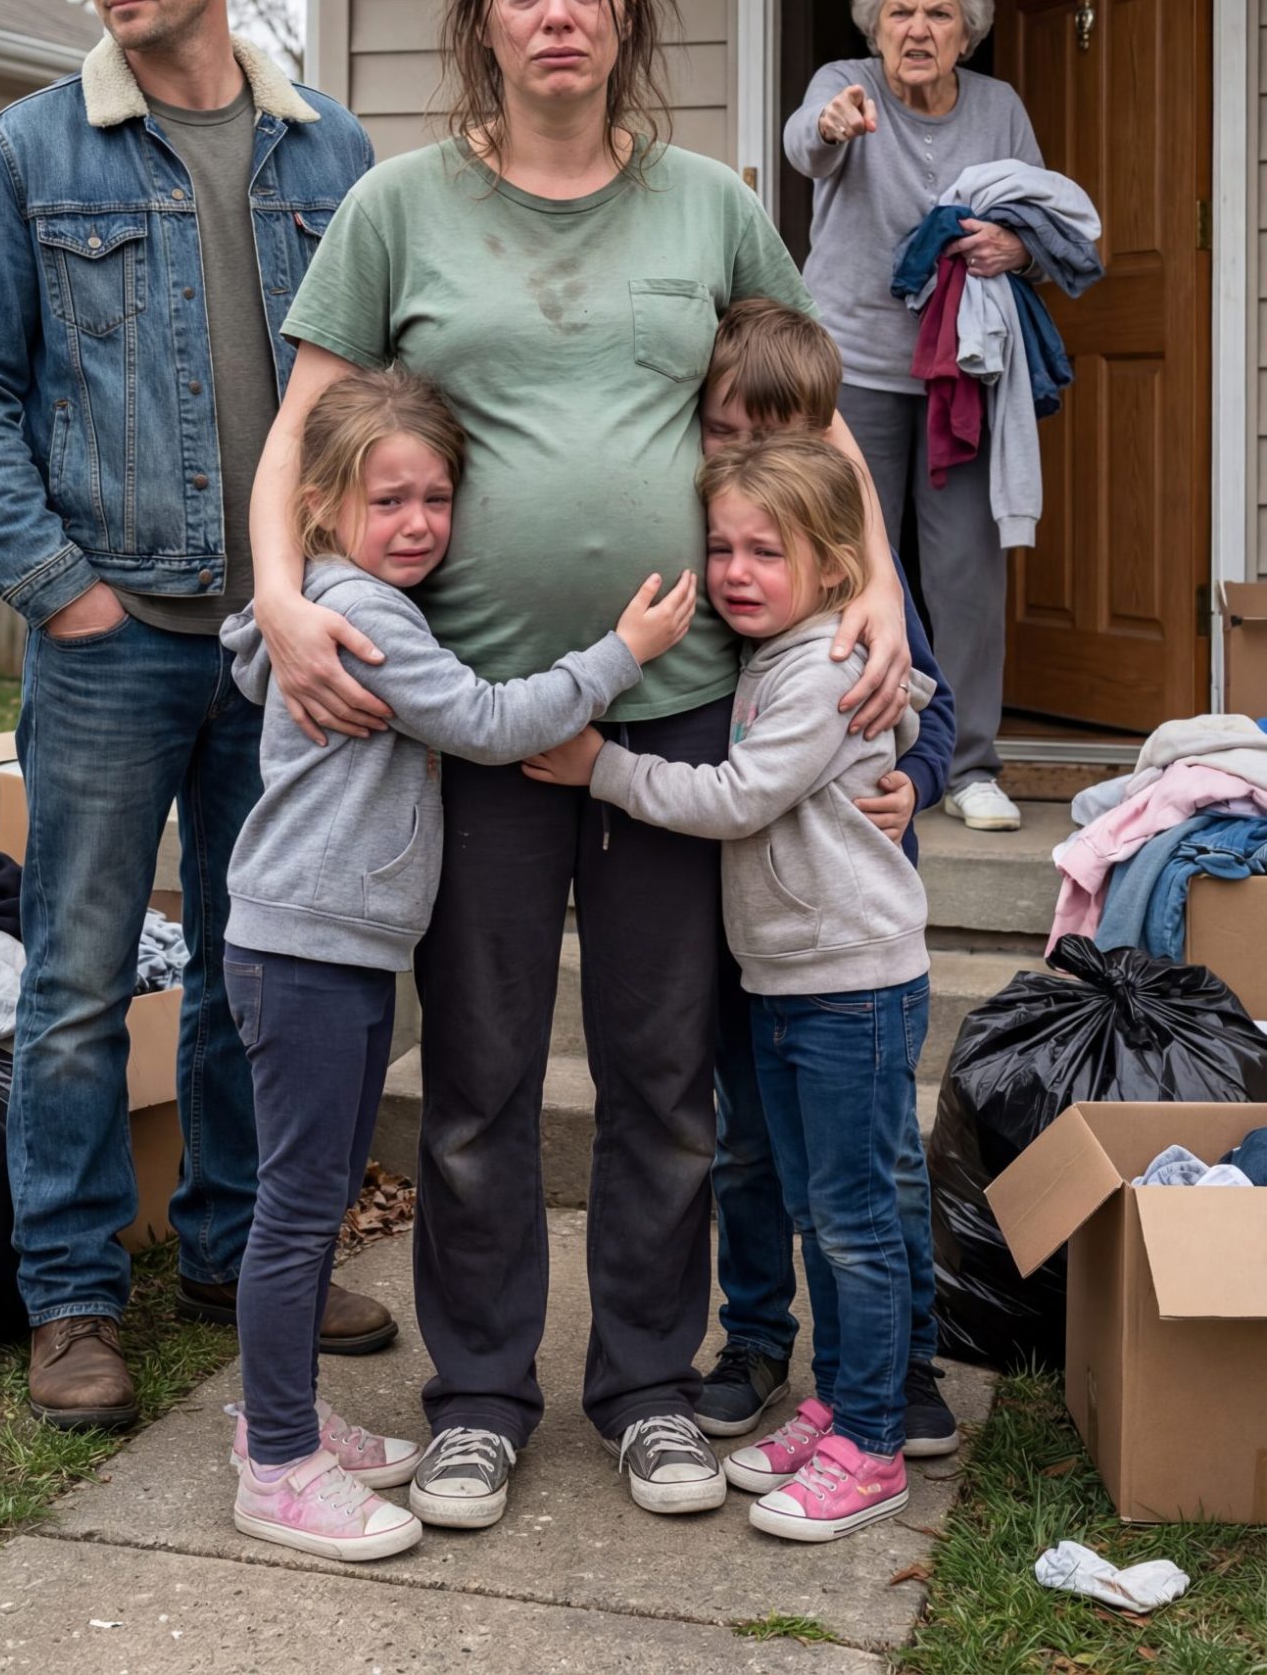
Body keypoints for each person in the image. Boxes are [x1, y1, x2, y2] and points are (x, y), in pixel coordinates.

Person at [246, 0, 913, 1527]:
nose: (557, 9)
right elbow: (300, 433)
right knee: (474, 1075)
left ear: (624, 7)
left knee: (662, 1071)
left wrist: (879, 592)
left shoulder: (706, 205)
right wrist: (283, 595)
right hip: (468, 722)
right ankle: (478, 1394)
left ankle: (645, 1385)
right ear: (481, 11)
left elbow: (815, 416)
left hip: (677, 706)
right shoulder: (403, 205)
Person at [0, 0, 390, 1432]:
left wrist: (344, 586)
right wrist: (66, 590)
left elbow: (388, 400)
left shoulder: (337, 160)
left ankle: (238, 1249)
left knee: (265, 962)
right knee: (75, 973)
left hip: (287, 644)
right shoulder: (26, 153)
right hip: (114, 635)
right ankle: (70, 1296)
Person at [219, 363, 696, 1555]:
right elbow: (486, 724)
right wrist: (618, 654)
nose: (420, 523)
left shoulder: (343, 604)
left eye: (437, 497)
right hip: (308, 947)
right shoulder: (368, 619)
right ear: (322, 504)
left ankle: (287, 1424)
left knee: (315, 1195)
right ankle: (274, 1461)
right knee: (294, 1211)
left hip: (332, 942)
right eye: (389, 501)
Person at [526, 435, 932, 1544]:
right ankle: (834, 1406)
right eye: (722, 547)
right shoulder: (775, 655)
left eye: (768, 551)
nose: (739, 570)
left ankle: (872, 1443)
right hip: (795, 978)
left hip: (850, 982)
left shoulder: (825, 663)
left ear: (839, 567)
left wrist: (599, 767)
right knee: (816, 1209)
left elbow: (742, 795)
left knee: (849, 1220)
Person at [691, 298, 959, 1461]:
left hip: (837, 924)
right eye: (726, 431)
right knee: (748, 1148)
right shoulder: (718, 547)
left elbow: (922, 697)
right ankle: (757, 1342)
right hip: (738, 913)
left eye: (788, 434)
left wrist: (918, 782)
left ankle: (894, 1379)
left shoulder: (851, 583)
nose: (756, 458)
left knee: (871, 1172)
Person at [785, 0, 1044, 835]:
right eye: (901, 11)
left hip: (960, 370)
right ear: (876, 23)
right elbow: (803, 146)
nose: (918, 28)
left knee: (964, 566)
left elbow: (1037, 213)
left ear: (967, 31)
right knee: (850, 558)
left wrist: (1016, 243)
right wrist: (831, 126)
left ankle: (968, 762)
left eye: (939, 13)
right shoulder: (840, 86)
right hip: (851, 365)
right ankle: (847, 744)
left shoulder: (999, 105)